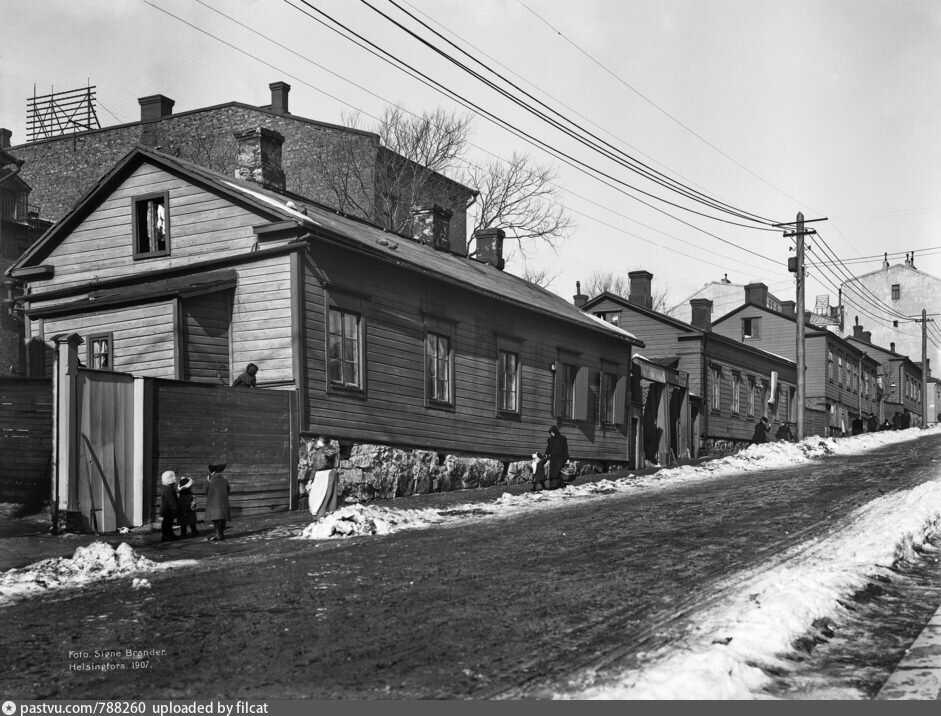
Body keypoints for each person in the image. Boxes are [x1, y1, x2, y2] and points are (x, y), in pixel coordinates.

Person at [304, 436, 339, 519]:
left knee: (325, 495)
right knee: (315, 495)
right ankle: (317, 514)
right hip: (319, 475)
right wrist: (310, 480)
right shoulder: (317, 452)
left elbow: (332, 453)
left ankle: (323, 515)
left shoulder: (328, 449)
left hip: (327, 474)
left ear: (323, 441)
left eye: (319, 440)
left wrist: (324, 447)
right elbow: (314, 467)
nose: (317, 442)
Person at [204, 463, 231, 541]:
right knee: (222, 518)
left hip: (213, 504)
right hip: (223, 503)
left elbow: (205, 491)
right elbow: (228, 490)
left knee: (216, 519)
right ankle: (221, 534)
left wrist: (207, 482)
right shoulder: (225, 481)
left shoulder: (209, 480)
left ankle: (218, 534)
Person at [544, 425, 570, 490]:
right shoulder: (551, 439)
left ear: (555, 431)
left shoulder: (562, 438)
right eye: (550, 433)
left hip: (561, 458)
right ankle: (552, 485)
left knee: (559, 471)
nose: (551, 434)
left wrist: (567, 458)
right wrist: (546, 454)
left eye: (552, 432)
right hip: (553, 458)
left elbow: (565, 449)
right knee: (552, 471)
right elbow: (549, 448)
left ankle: (558, 485)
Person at [159, 470, 179, 542]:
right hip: (168, 510)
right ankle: (167, 536)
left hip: (167, 510)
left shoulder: (167, 488)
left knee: (168, 523)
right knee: (167, 523)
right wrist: (175, 509)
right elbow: (171, 501)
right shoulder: (169, 490)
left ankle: (169, 535)